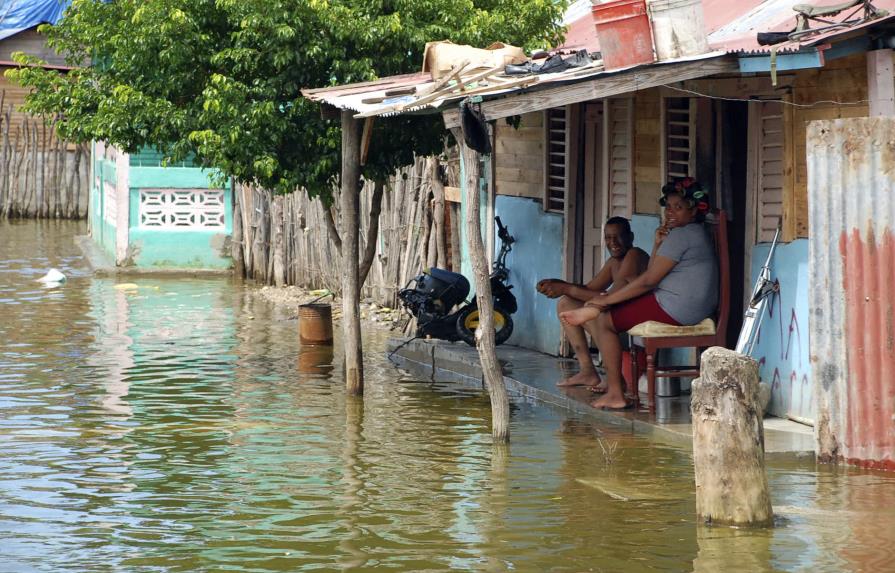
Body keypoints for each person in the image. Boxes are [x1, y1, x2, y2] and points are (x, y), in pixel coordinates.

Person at [559, 178, 718, 410]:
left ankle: (616, 393)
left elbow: (649, 280)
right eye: (669, 207)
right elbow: (653, 271)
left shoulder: (682, 235)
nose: (671, 213)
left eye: (679, 207)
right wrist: (656, 244)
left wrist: (604, 301)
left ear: (694, 210)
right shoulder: (689, 233)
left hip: (675, 306)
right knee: (613, 305)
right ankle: (598, 310)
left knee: (605, 320)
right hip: (686, 305)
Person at [536, 217, 649, 391]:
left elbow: (614, 296)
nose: (613, 243)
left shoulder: (636, 255)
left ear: (631, 237)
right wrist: (558, 285)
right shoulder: (613, 263)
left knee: (597, 311)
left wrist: (567, 288)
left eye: (618, 237)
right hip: (619, 318)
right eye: (608, 238)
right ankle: (588, 370)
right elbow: (589, 290)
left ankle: (615, 379)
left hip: (637, 320)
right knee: (566, 303)